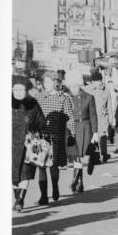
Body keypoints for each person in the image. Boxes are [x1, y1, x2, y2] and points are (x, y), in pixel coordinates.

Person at [34, 72, 75, 205]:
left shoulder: (63, 98)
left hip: (57, 135)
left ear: (54, 82)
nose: (46, 84)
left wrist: (72, 134)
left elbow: (70, 116)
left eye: (48, 82)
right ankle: (44, 196)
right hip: (41, 136)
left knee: (53, 165)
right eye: (44, 82)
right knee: (41, 166)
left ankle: (55, 186)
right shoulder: (38, 97)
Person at [12, 77, 46, 212]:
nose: (18, 92)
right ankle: (17, 199)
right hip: (10, 146)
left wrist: (34, 133)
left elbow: (42, 123)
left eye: (21, 89)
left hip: (28, 146)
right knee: (12, 175)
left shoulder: (33, 105)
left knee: (25, 174)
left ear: (26, 91)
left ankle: (20, 200)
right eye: (16, 89)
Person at [65, 70, 98, 193]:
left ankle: (77, 181)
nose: (73, 89)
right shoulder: (65, 97)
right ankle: (78, 181)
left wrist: (95, 132)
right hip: (72, 128)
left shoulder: (89, 97)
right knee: (76, 156)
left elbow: (93, 116)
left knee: (80, 156)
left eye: (75, 86)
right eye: (71, 86)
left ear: (79, 85)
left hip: (85, 127)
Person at [84, 69, 111, 163]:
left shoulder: (106, 90)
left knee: (103, 137)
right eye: (96, 81)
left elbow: (109, 106)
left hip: (103, 118)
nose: (98, 83)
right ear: (92, 82)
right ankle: (95, 157)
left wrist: (111, 120)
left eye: (99, 81)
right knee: (93, 137)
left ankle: (104, 154)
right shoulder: (86, 90)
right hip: (91, 118)